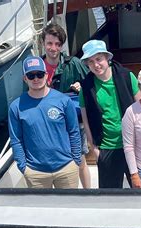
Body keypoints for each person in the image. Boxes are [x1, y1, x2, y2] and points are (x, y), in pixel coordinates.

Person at [8, 56, 81, 189]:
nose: (36, 79)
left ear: (46, 75)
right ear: (25, 79)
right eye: (31, 76)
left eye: (39, 74)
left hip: (67, 168)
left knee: (69, 208)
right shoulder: (16, 107)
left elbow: (74, 131)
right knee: (41, 210)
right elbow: (16, 140)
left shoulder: (63, 100)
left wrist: (75, 160)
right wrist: (23, 167)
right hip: (35, 172)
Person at [79, 40, 140, 188]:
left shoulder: (127, 76)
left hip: (132, 145)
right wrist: (94, 149)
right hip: (106, 147)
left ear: (107, 58)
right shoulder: (86, 87)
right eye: (91, 61)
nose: (96, 65)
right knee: (110, 199)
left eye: (99, 59)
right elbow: (86, 121)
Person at [41, 23, 91, 188]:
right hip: (48, 123)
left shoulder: (73, 63)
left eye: (57, 44)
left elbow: (91, 83)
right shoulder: (37, 67)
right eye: (49, 43)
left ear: (61, 46)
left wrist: (80, 85)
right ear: (43, 43)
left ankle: (88, 192)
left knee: (80, 158)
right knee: (56, 161)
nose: (53, 48)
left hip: (74, 122)